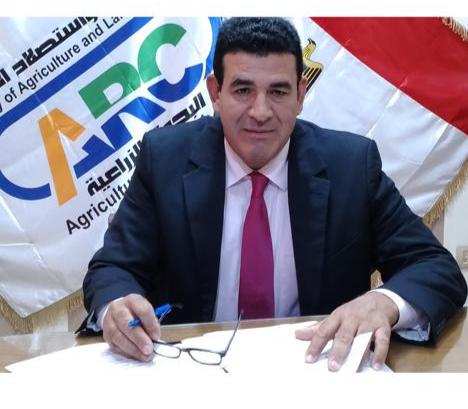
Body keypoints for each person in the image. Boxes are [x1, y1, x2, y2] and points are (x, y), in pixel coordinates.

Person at [81, 17, 467, 371]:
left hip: (316, 369)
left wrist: (384, 303)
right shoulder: (165, 158)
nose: (261, 112)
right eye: (243, 90)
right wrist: (117, 306)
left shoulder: (350, 166)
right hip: (193, 370)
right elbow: (113, 269)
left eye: (278, 91)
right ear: (216, 92)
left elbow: (435, 268)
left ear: (301, 94)